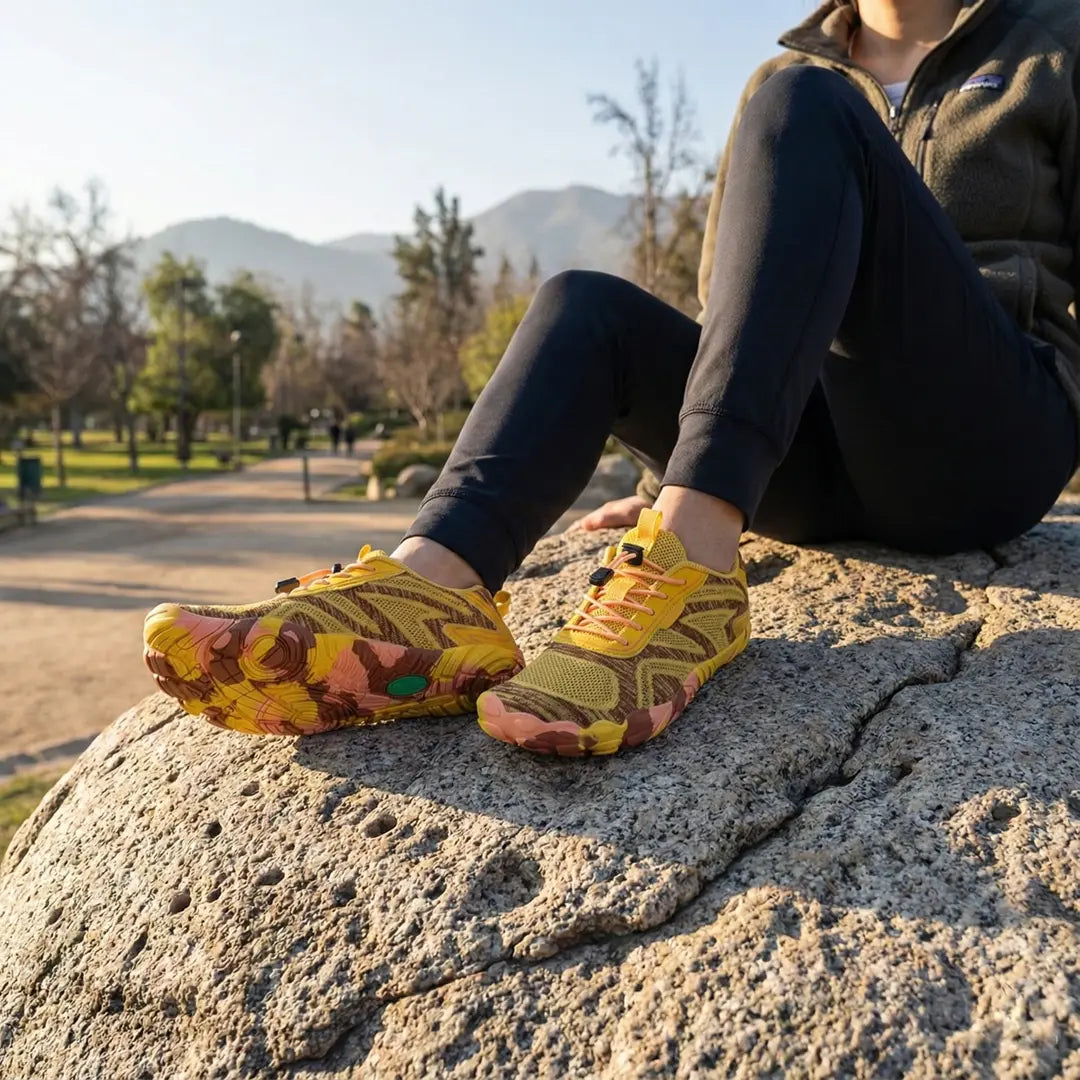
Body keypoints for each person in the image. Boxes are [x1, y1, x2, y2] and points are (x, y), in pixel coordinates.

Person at [144, 0, 1079, 756]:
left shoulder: (1052, 37)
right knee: (583, 305)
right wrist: (664, 479)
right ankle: (432, 594)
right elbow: (740, 306)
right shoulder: (786, 72)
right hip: (821, 456)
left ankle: (694, 577)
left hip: (982, 439)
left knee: (807, 104)